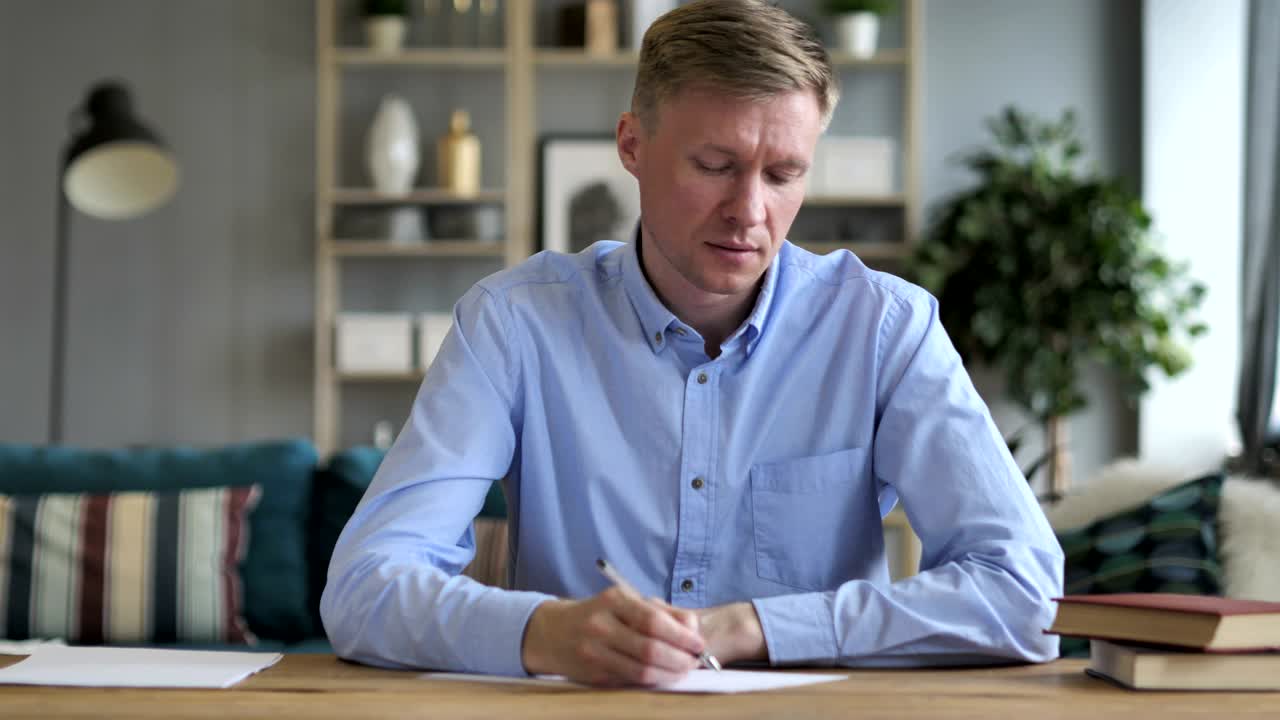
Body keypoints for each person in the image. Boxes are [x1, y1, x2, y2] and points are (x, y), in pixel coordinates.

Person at [321, 0, 1063, 687]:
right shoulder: (515, 325)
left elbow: (1027, 593)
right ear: (632, 145)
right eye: (715, 166)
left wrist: (753, 626)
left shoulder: (885, 330)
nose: (749, 211)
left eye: (784, 174)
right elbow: (364, 586)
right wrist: (541, 633)